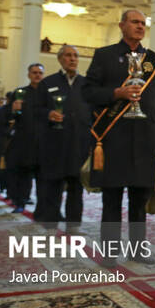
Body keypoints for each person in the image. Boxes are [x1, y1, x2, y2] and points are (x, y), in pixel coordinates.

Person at [83, 9, 155, 267]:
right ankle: (108, 254)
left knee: (139, 202)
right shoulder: (104, 56)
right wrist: (117, 93)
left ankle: (138, 250)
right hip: (113, 139)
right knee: (112, 199)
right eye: (135, 22)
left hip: (144, 139)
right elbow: (88, 92)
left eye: (143, 23)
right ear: (122, 25)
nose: (140, 26)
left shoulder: (153, 59)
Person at [39, 45, 91, 231]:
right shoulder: (48, 83)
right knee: (53, 185)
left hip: (79, 144)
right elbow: (37, 110)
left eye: (75, 56)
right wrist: (48, 114)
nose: (72, 59)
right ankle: (51, 221)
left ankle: (73, 224)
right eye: (68, 55)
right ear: (60, 59)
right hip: (55, 144)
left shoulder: (86, 84)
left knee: (76, 187)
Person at [7, 64, 47, 214]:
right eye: (34, 73)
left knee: (44, 177)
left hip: (44, 141)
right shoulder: (20, 93)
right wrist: (14, 110)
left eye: (40, 73)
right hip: (25, 140)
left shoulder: (48, 93)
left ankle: (43, 207)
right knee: (24, 174)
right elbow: (9, 118)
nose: (37, 75)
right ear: (29, 75)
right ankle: (20, 203)